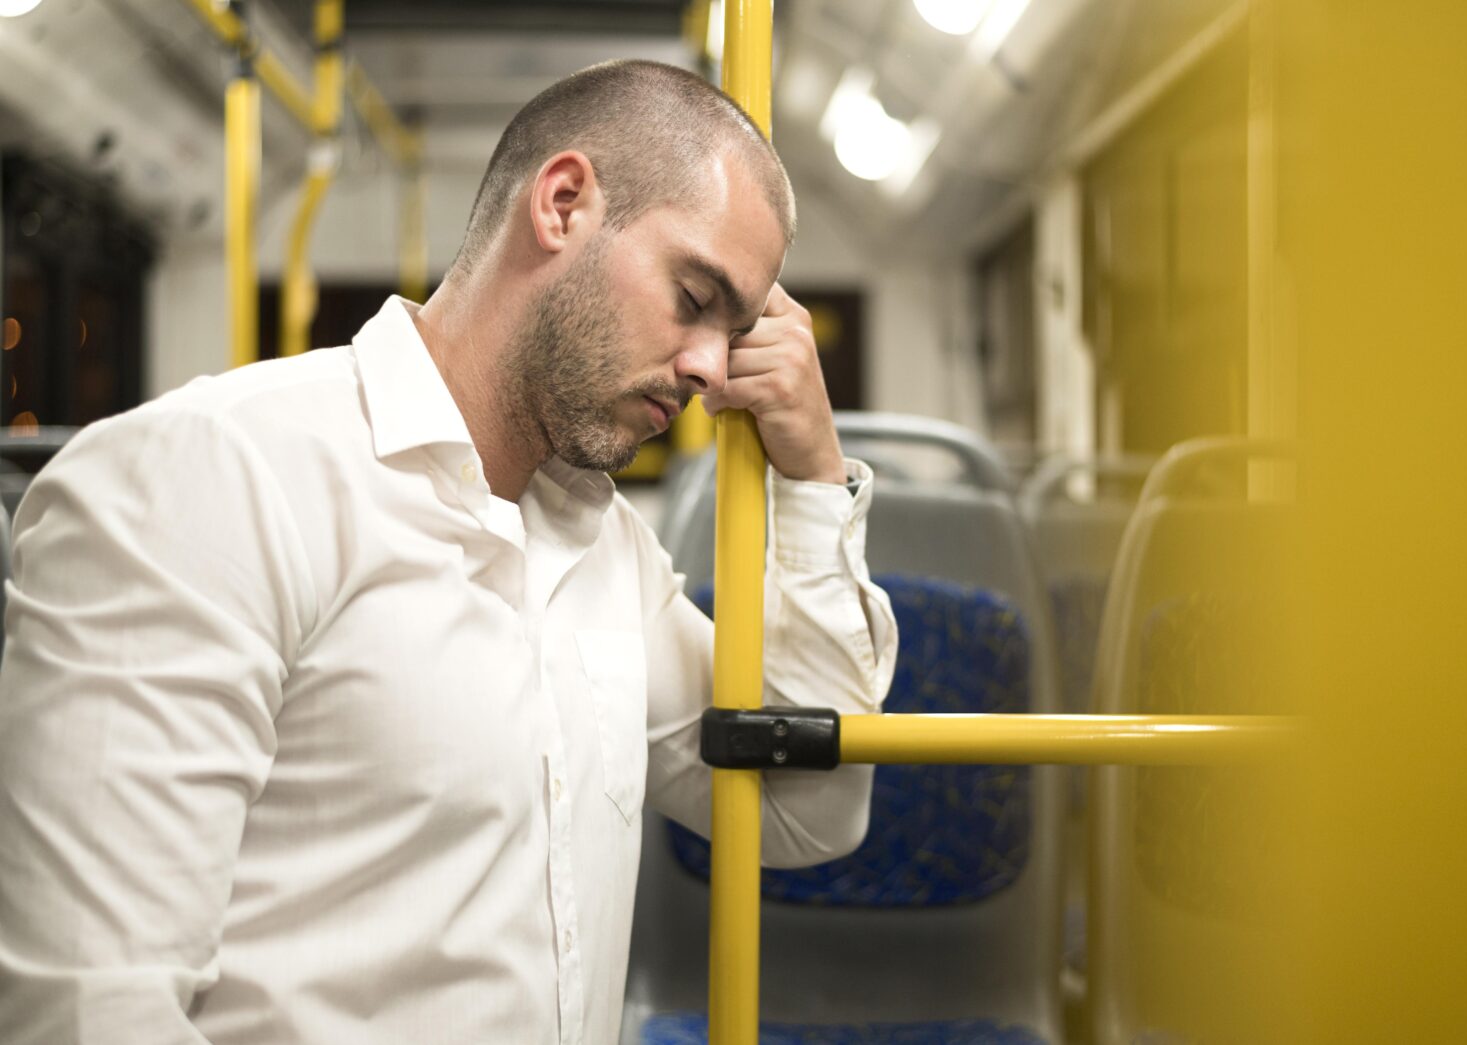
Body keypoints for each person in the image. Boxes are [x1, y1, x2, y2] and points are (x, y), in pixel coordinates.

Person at [0, 60, 896, 1044]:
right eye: (694, 297)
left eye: (736, 330)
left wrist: (813, 476)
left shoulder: (607, 555)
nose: (711, 369)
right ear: (562, 204)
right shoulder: (211, 479)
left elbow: (803, 810)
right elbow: (90, 1012)